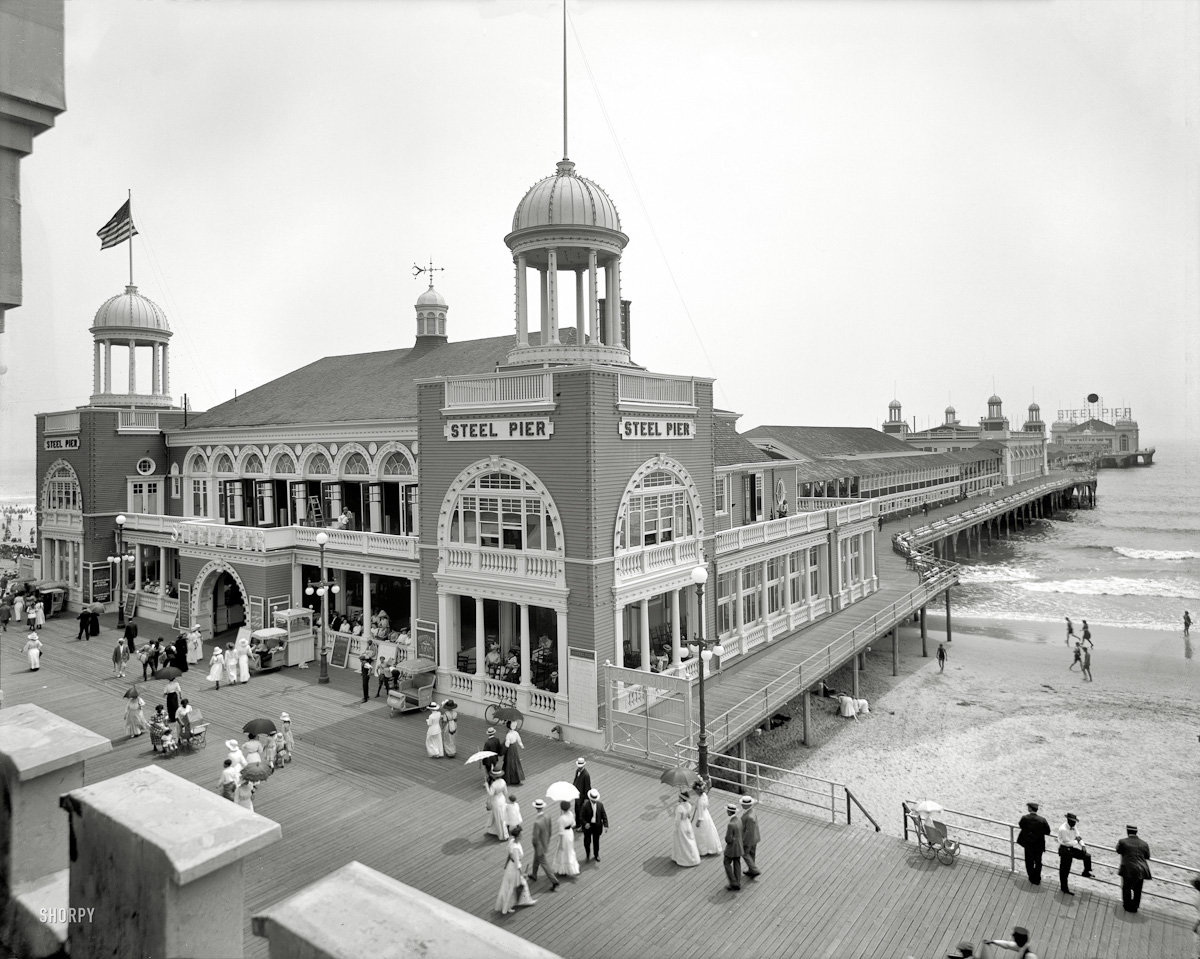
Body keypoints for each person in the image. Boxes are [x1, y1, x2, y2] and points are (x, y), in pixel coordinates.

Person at [495, 823, 536, 914]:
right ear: (517, 836)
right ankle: (508, 906)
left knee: (514, 886)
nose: (522, 835)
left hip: (510, 866)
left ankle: (524, 900)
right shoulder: (516, 848)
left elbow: (509, 856)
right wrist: (523, 874)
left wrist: (506, 865)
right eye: (521, 834)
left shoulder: (512, 842)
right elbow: (517, 864)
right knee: (514, 887)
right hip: (514, 869)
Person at [1116, 824, 1152, 913]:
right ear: (1136, 832)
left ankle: (1127, 906)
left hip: (1128, 868)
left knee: (1126, 887)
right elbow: (1147, 856)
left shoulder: (1122, 841)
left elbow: (1118, 850)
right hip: (1141, 870)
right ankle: (1135, 906)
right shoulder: (1144, 843)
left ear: (1127, 832)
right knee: (1138, 889)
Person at [1057, 812, 1093, 895]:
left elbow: (1078, 836)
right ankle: (1064, 888)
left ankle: (1086, 872)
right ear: (1068, 821)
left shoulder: (1073, 826)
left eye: (1075, 822)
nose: (1074, 823)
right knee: (1065, 870)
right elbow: (1067, 843)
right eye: (1073, 822)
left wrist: (1083, 845)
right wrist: (1077, 841)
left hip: (1071, 848)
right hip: (1065, 850)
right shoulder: (1063, 829)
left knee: (1087, 856)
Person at [528, 799, 559, 891]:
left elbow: (535, 838)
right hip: (545, 842)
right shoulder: (547, 816)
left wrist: (535, 845)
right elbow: (550, 830)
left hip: (539, 846)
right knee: (536, 859)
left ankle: (554, 881)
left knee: (544, 863)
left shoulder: (537, 822)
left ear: (536, 808)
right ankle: (534, 874)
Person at [1016, 802, 1051, 885]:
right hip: (1039, 844)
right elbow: (1048, 831)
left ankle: (1031, 877)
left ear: (1030, 809)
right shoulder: (1042, 820)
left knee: (1029, 861)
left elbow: (1021, 825)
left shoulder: (1025, 818)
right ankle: (1037, 878)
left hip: (1028, 844)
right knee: (1038, 862)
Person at [691, 779, 722, 856]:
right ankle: (710, 848)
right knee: (709, 833)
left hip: (702, 817)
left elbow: (700, 814)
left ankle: (702, 850)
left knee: (701, 834)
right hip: (707, 815)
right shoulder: (705, 796)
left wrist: (698, 822)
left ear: (698, 790)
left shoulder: (700, 801)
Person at [671, 791, 701, 867]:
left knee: (682, 841)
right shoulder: (689, 805)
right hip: (687, 824)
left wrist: (675, 828)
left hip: (681, 825)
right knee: (690, 840)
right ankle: (693, 857)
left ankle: (683, 858)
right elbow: (688, 815)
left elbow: (677, 820)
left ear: (681, 798)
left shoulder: (679, 808)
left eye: (679, 797)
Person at [580, 788, 608, 863]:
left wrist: (606, 825)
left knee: (596, 842)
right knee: (587, 842)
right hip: (588, 826)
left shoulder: (600, 805)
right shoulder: (585, 805)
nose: (594, 801)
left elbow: (604, 815)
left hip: (597, 826)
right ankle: (588, 854)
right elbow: (581, 817)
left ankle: (596, 855)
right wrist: (585, 823)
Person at [554, 799, 580, 877]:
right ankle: (571, 867)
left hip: (565, 835)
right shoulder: (571, 814)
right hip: (570, 833)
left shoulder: (562, 818)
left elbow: (561, 832)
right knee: (570, 850)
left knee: (563, 852)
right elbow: (573, 824)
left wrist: (561, 843)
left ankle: (563, 869)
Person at [723, 803, 744, 891]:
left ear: (729, 812)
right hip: (739, 846)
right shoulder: (739, 820)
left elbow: (728, 839)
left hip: (732, 848)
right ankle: (738, 881)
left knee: (727, 862)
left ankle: (733, 882)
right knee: (737, 862)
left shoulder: (731, 824)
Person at [741, 796, 762, 878]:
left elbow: (748, 831)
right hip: (755, 837)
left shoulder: (749, 817)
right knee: (752, 853)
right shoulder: (752, 811)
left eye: (743, 804)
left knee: (744, 853)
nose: (741, 805)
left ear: (746, 805)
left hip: (749, 839)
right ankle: (751, 869)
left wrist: (744, 841)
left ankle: (754, 869)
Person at [485, 769, 509, 841]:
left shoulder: (494, 784)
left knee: (498, 817)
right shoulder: (503, 781)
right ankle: (494, 830)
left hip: (496, 801)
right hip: (502, 799)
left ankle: (503, 835)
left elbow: (490, 794)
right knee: (501, 816)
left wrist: (486, 786)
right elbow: (506, 792)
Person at [502, 720, 525, 785]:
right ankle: (517, 778)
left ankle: (509, 778)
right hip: (514, 748)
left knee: (509, 762)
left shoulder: (508, 735)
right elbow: (519, 740)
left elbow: (507, 744)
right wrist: (521, 745)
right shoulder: (516, 733)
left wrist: (504, 749)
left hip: (510, 749)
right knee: (515, 761)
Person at [572, 757, 591, 824]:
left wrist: (586, 798)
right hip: (577, 795)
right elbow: (575, 780)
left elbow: (587, 787)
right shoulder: (577, 771)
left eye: (581, 766)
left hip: (582, 796)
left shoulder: (586, 775)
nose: (579, 768)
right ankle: (577, 823)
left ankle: (581, 825)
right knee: (576, 810)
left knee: (581, 811)